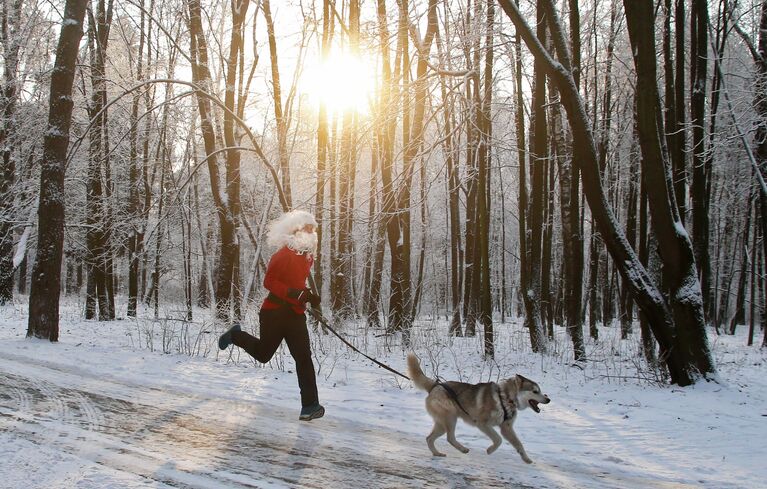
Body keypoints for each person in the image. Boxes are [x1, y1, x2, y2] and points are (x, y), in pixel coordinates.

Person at [218, 210, 324, 421]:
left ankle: (310, 406)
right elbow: (269, 282)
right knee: (264, 355)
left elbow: (296, 283)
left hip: (294, 314)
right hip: (274, 312)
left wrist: (309, 296)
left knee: (304, 358)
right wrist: (295, 293)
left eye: (313, 230)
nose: (312, 233)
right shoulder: (282, 255)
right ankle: (235, 336)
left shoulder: (307, 257)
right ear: (296, 231)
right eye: (308, 229)